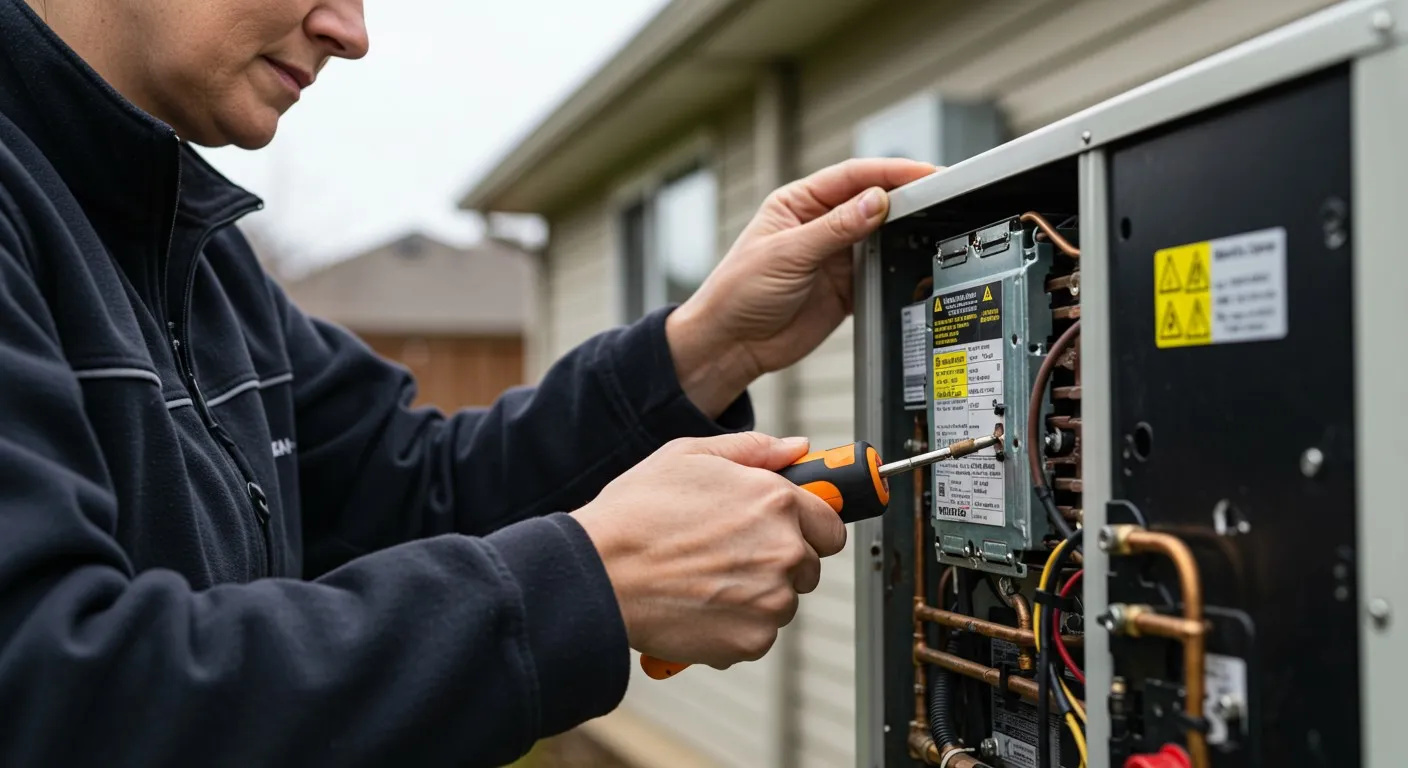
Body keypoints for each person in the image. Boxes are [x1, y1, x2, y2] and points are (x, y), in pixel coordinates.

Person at [0, 0, 936, 765]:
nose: (351, 31)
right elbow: (53, 689)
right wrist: (592, 582)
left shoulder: (198, 260)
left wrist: (705, 348)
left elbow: (418, 489)